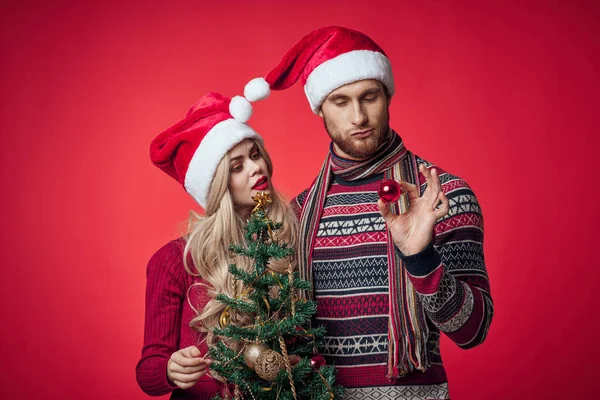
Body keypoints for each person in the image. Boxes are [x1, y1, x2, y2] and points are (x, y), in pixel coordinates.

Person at [239, 26, 494, 399]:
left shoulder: (442, 197)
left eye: (368, 97)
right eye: (340, 102)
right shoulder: (296, 214)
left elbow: (473, 331)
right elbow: (286, 334)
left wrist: (419, 257)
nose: (358, 116)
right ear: (320, 109)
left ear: (387, 97)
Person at [135, 92, 298, 398]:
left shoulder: (288, 240)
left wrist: (293, 365)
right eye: (237, 167)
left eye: (255, 154)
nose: (255, 168)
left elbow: (305, 339)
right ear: (218, 185)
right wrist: (171, 368)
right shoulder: (175, 261)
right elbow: (148, 372)